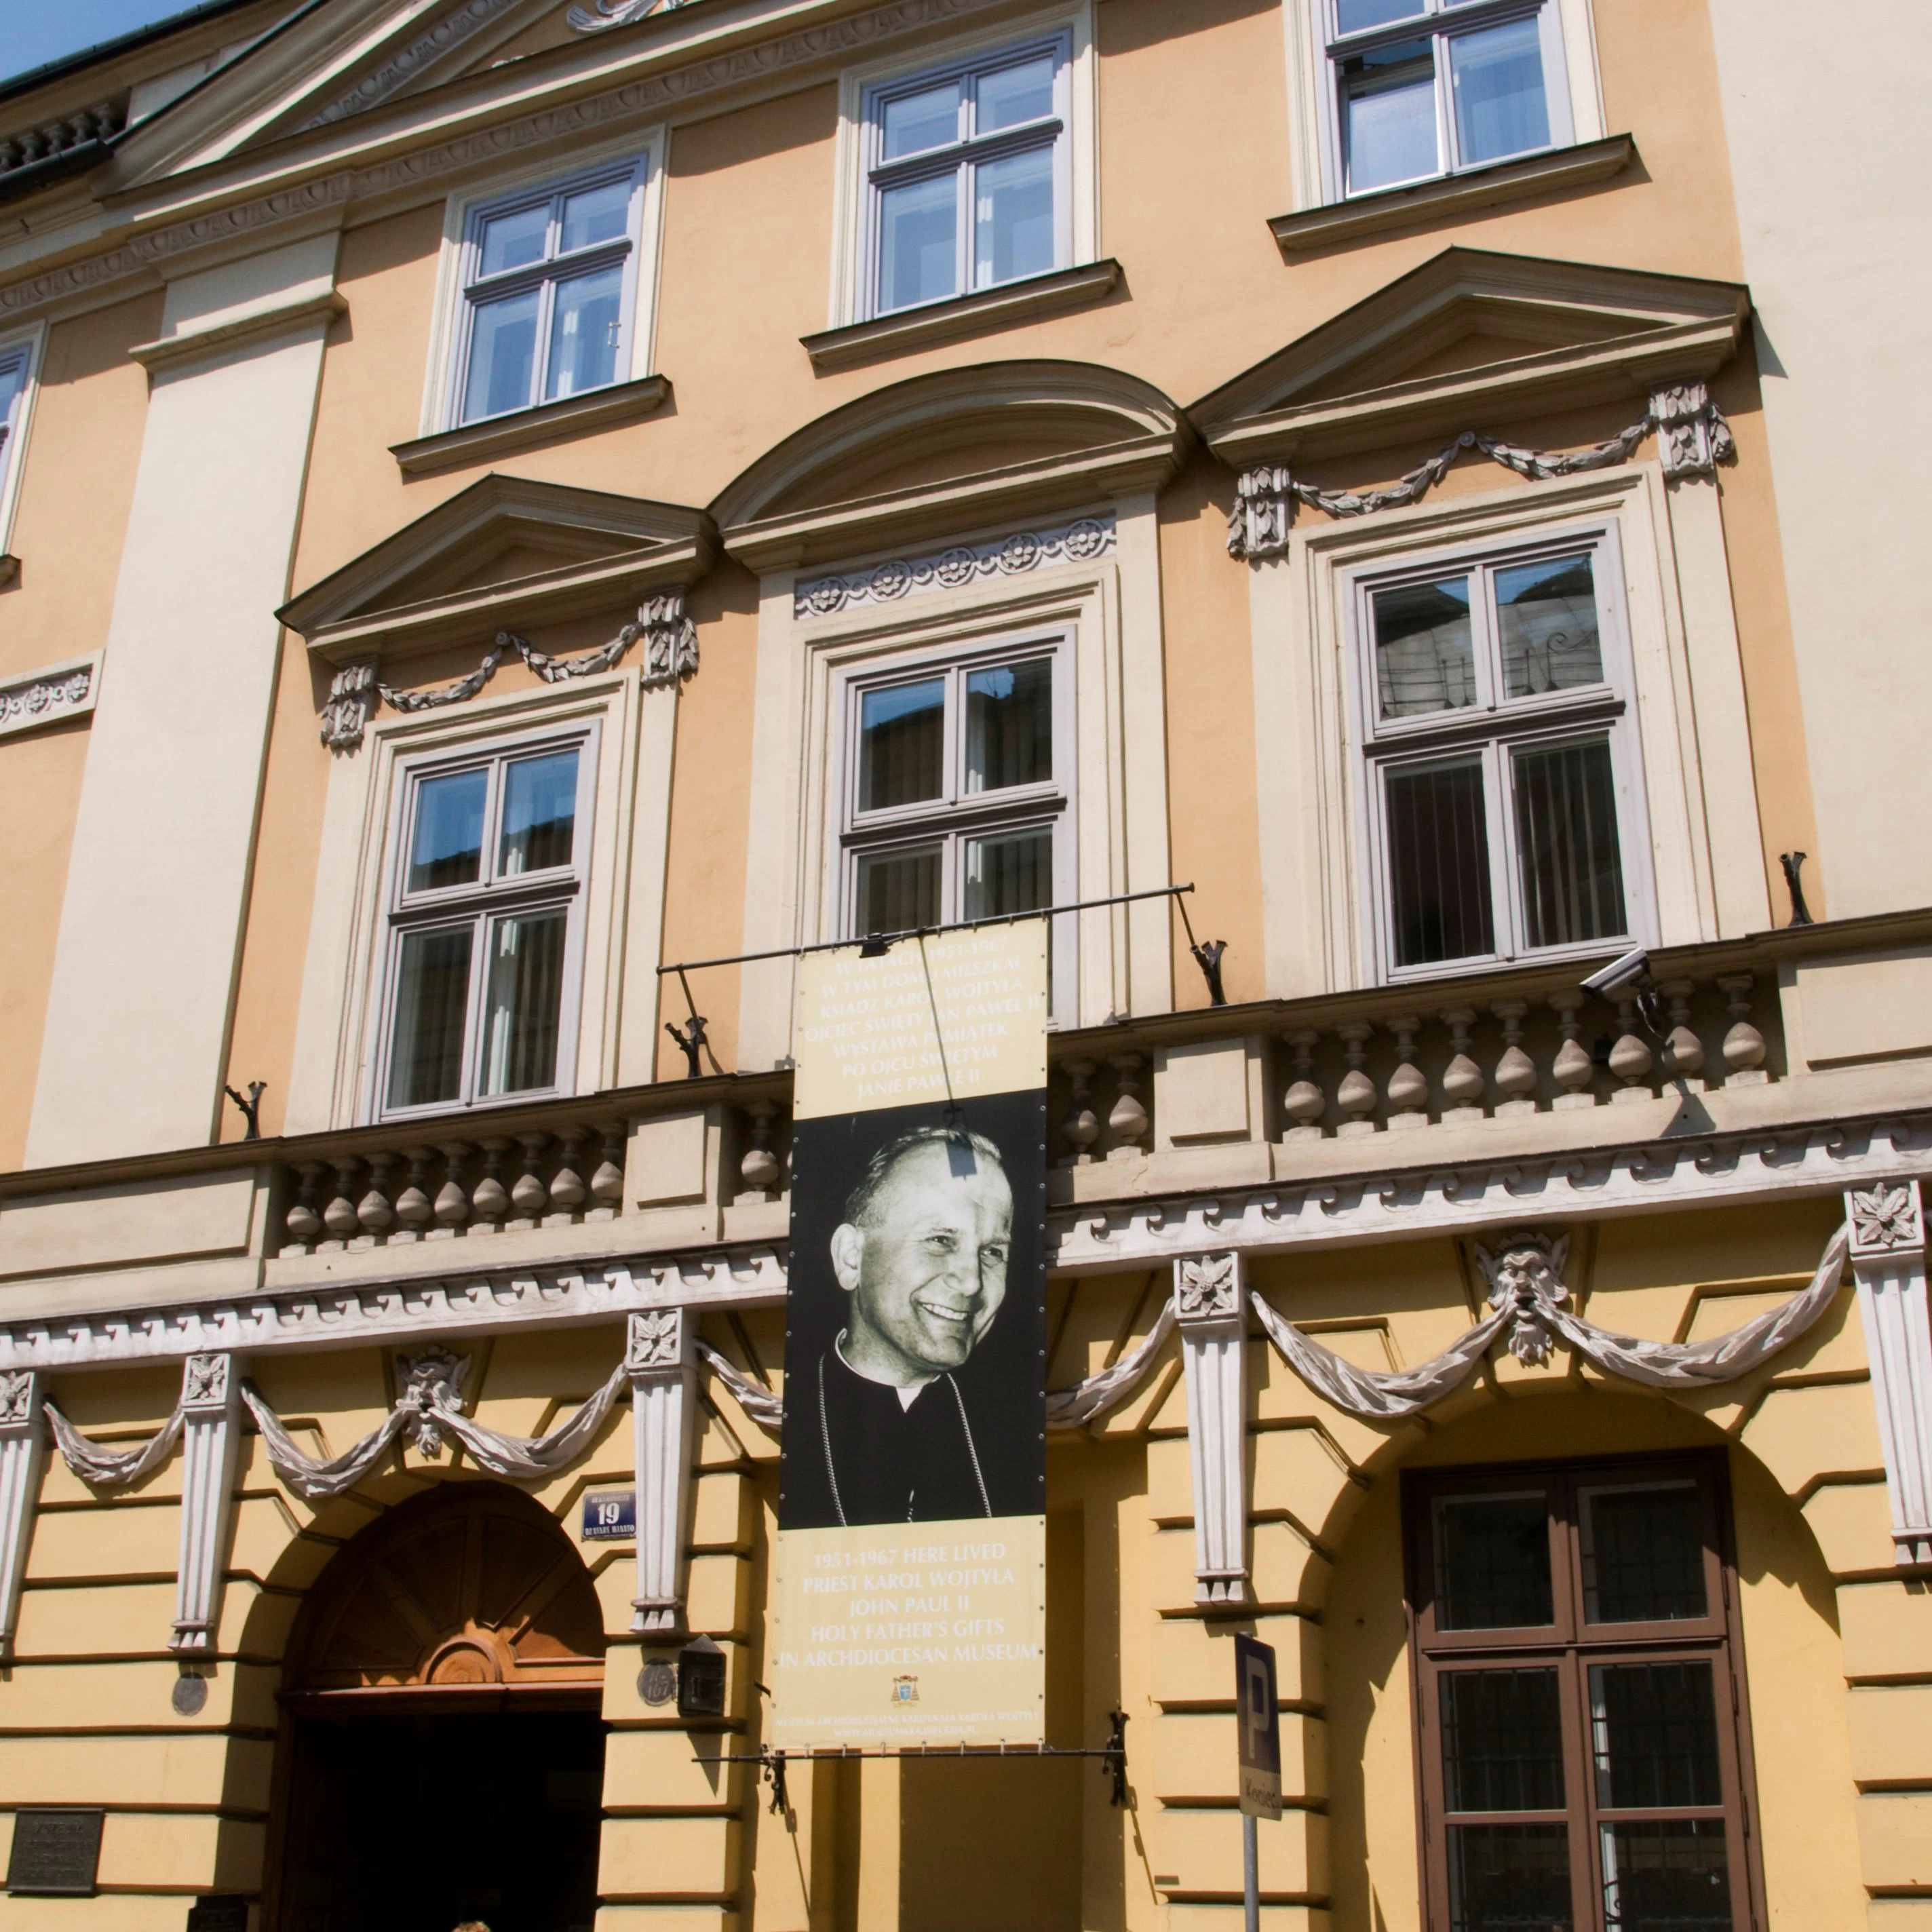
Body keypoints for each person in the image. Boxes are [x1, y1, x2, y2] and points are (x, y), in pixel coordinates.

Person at [784, 1123, 1024, 1528]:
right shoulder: (793, 1419)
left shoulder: (1017, 1435)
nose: (971, 1282)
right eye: (941, 1240)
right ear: (851, 1257)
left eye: (993, 1252)